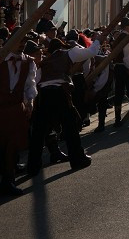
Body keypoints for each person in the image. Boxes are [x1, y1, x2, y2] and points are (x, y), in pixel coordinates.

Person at [27, 35, 101, 175]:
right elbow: (91, 52)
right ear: (62, 46)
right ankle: (78, 159)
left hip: (44, 94)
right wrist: (97, 40)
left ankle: (33, 166)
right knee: (70, 128)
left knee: (39, 132)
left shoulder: (45, 62)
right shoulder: (68, 53)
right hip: (59, 93)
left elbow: (35, 81)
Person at [0, 28, 37, 196]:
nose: (23, 44)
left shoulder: (28, 62)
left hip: (15, 110)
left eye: (24, 41)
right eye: (20, 41)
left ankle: (8, 182)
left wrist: (30, 102)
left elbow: (30, 86)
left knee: (12, 147)